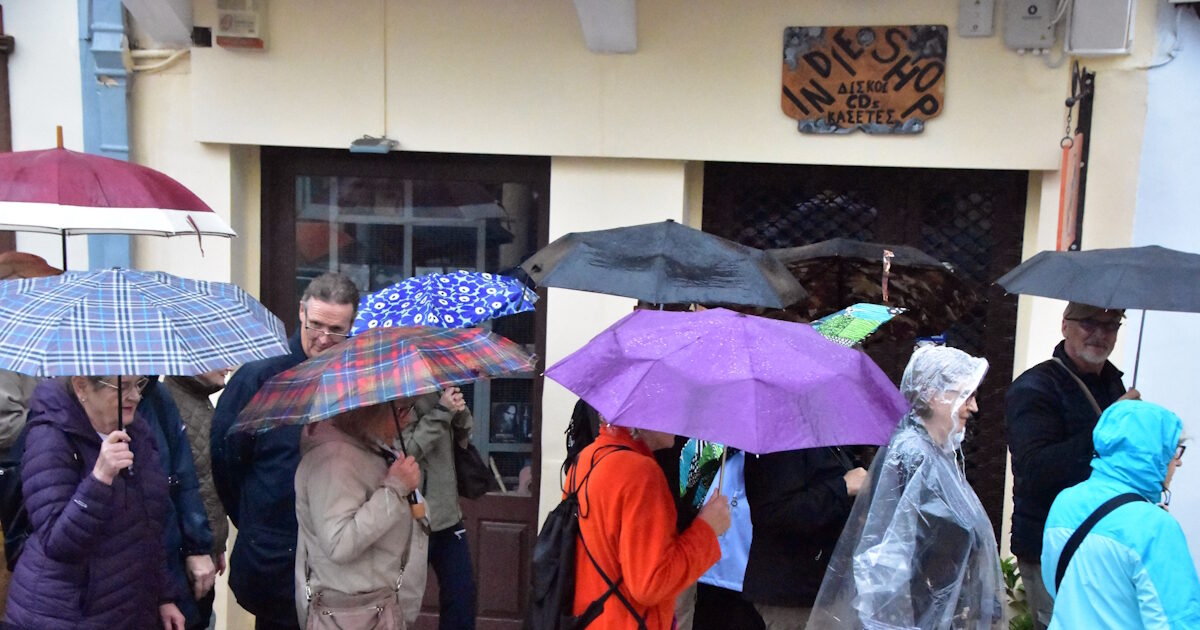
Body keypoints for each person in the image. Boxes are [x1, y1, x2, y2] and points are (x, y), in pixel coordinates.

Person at [808, 345, 1005, 630]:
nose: (973, 407)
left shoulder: (933, 454)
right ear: (933, 395)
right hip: (915, 613)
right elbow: (910, 544)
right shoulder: (914, 455)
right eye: (966, 395)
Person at [211, 271, 358, 630]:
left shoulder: (355, 379)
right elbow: (225, 458)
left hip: (337, 555)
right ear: (301, 313)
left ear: (352, 326)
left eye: (336, 330)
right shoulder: (260, 376)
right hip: (275, 553)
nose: (323, 338)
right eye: (316, 325)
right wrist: (256, 518)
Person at [3, 376, 184, 629]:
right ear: (82, 387)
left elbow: (149, 526)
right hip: (64, 614)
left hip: (126, 609)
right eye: (123, 387)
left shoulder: (138, 433)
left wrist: (163, 596)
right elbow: (58, 542)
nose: (135, 396)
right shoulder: (50, 437)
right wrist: (100, 478)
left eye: (139, 384)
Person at [1005, 301, 1140, 630]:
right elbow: (1035, 470)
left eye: (1111, 325)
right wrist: (1109, 424)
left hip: (1101, 541)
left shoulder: (1113, 382)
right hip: (1052, 546)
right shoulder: (1035, 387)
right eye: (1089, 323)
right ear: (1065, 325)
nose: (1100, 334)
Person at [1040, 401, 1200, 628]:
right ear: (1153, 454)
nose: (1179, 461)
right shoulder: (1154, 525)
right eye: (1174, 450)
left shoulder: (1065, 502)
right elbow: (1177, 621)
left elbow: (1054, 584)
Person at [569, 421, 731, 629]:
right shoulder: (641, 473)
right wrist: (707, 529)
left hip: (588, 618)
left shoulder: (587, 458)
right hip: (629, 621)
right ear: (642, 420)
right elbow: (651, 584)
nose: (679, 424)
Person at [294, 400, 422, 628]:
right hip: (350, 617)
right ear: (371, 411)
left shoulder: (369, 448)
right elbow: (339, 543)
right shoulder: (333, 460)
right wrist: (395, 489)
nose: (408, 419)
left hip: (375, 611)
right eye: (401, 410)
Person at [742, 446, 867, 629]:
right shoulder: (783, 446)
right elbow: (775, 514)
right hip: (793, 594)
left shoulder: (825, 440)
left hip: (828, 586)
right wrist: (842, 487)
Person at [140, 377, 217, 630]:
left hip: (171, 561)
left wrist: (199, 546)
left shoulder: (156, 395)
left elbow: (185, 479)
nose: (133, 393)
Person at [402, 387, 477, 629]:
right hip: (413, 518)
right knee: (401, 601)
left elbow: (466, 432)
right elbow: (408, 451)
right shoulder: (399, 395)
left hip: (448, 515)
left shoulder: (438, 385)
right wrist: (442, 411)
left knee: (462, 596)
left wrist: (459, 410)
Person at [164, 370, 231, 628]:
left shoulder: (199, 401)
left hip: (203, 551)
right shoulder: (171, 403)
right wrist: (199, 547)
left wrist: (216, 543)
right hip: (184, 559)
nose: (227, 366)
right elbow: (179, 490)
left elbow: (208, 482)